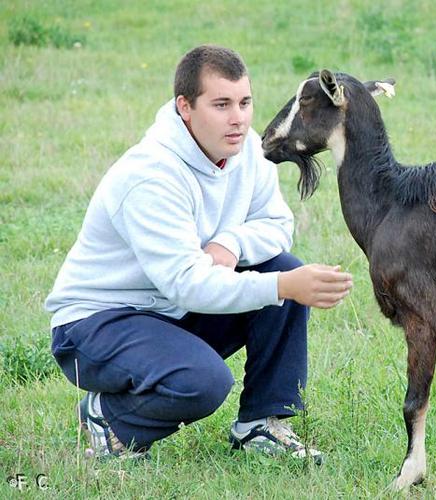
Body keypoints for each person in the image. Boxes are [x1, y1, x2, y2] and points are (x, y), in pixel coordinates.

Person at [45, 45, 352, 463]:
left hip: (169, 311)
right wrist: (281, 286)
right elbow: (187, 284)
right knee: (204, 381)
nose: (238, 118)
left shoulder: (247, 151)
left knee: (284, 267)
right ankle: (109, 417)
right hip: (96, 324)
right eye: (221, 104)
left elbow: (277, 225)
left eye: (244, 103)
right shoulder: (151, 176)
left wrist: (231, 244)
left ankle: (261, 424)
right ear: (185, 107)